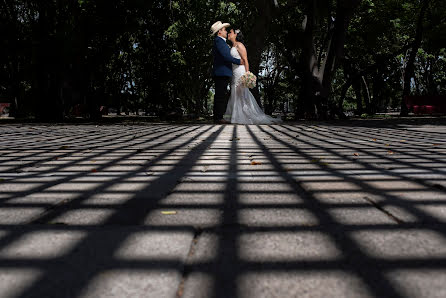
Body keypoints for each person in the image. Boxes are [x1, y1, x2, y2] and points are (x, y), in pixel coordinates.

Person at [224, 28, 282, 124]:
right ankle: (236, 117)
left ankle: (247, 116)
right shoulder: (232, 46)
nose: (229, 34)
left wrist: (247, 75)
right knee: (235, 93)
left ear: (235, 35)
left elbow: (246, 60)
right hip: (234, 72)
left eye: (230, 32)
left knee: (242, 94)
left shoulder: (240, 45)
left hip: (240, 71)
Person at [210, 21, 244, 124]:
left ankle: (219, 116)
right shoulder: (218, 41)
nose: (226, 31)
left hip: (223, 72)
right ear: (219, 31)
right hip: (221, 72)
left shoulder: (222, 42)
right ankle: (218, 118)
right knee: (220, 96)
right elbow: (226, 56)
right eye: (224, 30)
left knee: (221, 95)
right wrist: (239, 61)